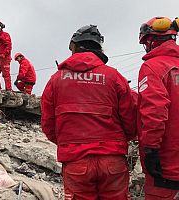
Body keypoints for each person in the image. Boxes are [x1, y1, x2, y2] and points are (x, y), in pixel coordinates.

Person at [41, 25, 137, 199]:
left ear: (75, 46)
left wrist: (68, 143)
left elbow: (48, 123)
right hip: (112, 160)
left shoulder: (56, 80)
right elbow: (130, 118)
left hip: (76, 162)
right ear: (99, 48)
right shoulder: (114, 77)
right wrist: (120, 141)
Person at [137, 16, 179, 199]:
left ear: (150, 41)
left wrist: (150, 150)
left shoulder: (152, 67)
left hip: (166, 168)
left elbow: (155, 111)